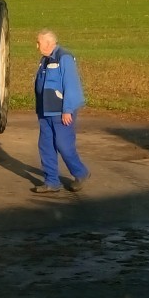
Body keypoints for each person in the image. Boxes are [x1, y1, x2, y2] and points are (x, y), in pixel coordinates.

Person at [32, 29, 90, 193]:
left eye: (39, 42)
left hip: (61, 112)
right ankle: (51, 182)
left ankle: (81, 172)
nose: (37, 46)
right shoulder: (44, 60)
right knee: (46, 146)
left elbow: (71, 85)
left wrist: (68, 110)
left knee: (64, 145)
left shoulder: (64, 58)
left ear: (49, 43)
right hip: (45, 112)